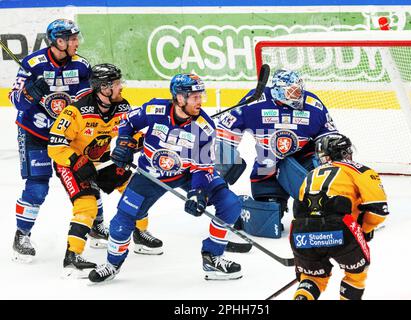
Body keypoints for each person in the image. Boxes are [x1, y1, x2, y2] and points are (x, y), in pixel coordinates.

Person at [88, 73, 243, 283]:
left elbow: (202, 168)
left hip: (189, 174)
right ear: (179, 98)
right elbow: (126, 122)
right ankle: (112, 264)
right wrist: (123, 143)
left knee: (230, 203)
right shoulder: (155, 109)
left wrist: (197, 193)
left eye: (201, 96)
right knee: (121, 222)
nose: (200, 101)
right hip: (150, 175)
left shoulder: (204, 128)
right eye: (195, 97)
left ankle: (212, 257)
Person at [47, 63, 162, 278]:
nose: (121, 87)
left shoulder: (122, 107)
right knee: (87, 204)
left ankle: (139, 232)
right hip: (71, 163)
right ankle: (72, 257)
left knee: (136, 189)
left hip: (102, 161)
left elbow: (131, 135)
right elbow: (55, 145)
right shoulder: (76, 110)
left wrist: (134, 144)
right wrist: (78, 162)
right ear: (103, 88)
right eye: (117, 84)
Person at [8, 18, 103, 262]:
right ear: (58, 41)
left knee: (87, 174)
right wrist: (29, 93)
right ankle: (22, 234)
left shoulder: (82, 66)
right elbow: (16, 100)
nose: (76, 42)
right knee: (37, 186)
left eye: (76, 38)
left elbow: (89, 101)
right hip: (35, 133)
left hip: (67, 135)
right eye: (72, 39)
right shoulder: (33, 64)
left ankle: (96, 224)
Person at [215, 69, 338, 238]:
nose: (298, 94)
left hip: (303, 165)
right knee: (265, 226)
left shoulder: (312, 104)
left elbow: (329, 137)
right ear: (279, 91)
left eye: (299, 89)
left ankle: (312, 202)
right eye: (292, 91)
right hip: (267, 167)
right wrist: (220, 170)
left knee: (315, 212)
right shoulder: (255, 102)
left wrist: (334, 155)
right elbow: (225, 131)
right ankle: (239, 208)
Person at [290, 134, 389, 300]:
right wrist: (363, 229)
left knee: (312, 278)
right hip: (340, 230)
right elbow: (379, 209)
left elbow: (300, 209)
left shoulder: (310, 175)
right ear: (346, 152)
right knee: (356, 274)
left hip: (301, 232)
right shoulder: (360, 170)